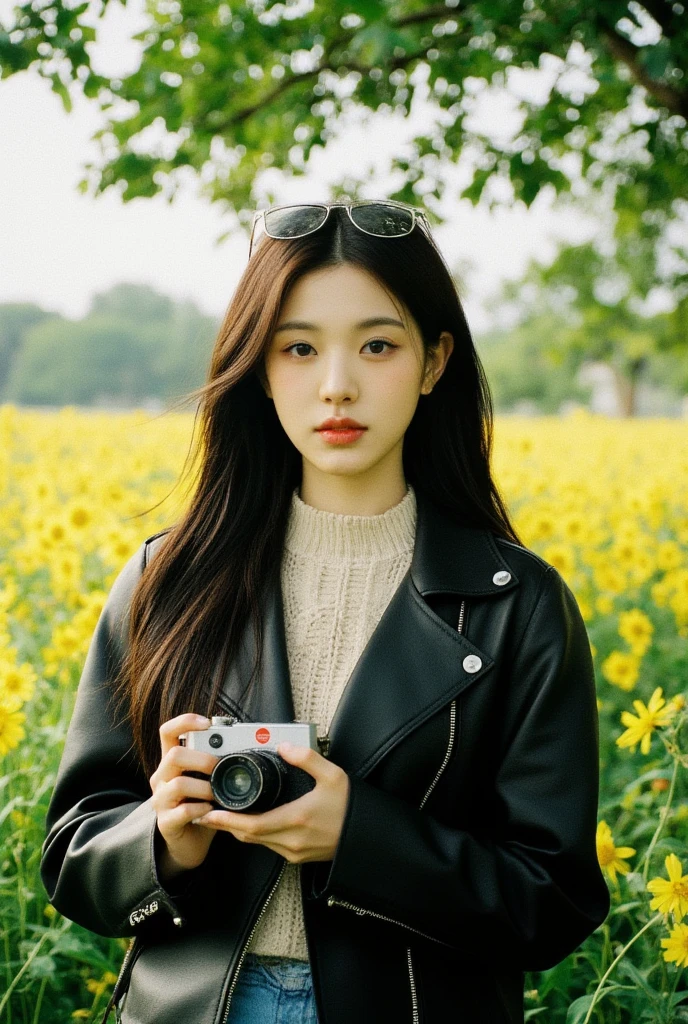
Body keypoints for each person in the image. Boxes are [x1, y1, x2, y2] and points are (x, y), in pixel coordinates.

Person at [40, 200, 610, 1024]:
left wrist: (362, 839)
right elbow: (72, 853)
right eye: (298, 348)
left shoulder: (518, 606)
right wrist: (163, 838)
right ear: (259, 367)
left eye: (377, 345)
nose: (336, 384)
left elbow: (552, 901)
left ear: (434, 359)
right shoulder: (166, 578)